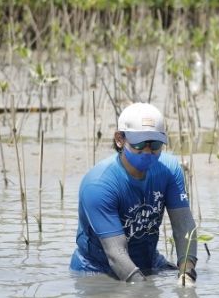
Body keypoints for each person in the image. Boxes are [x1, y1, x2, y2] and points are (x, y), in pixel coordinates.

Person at [70, 102, 198, 285]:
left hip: (149, 263)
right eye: (139, 144)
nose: (147, 151)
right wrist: (147, 295)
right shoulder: (99, 185)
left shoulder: (169, 170)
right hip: (99, 272)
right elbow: (115, 254)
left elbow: (184, 226)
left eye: (154, 144)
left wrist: (187, 273)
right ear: (120, 139)